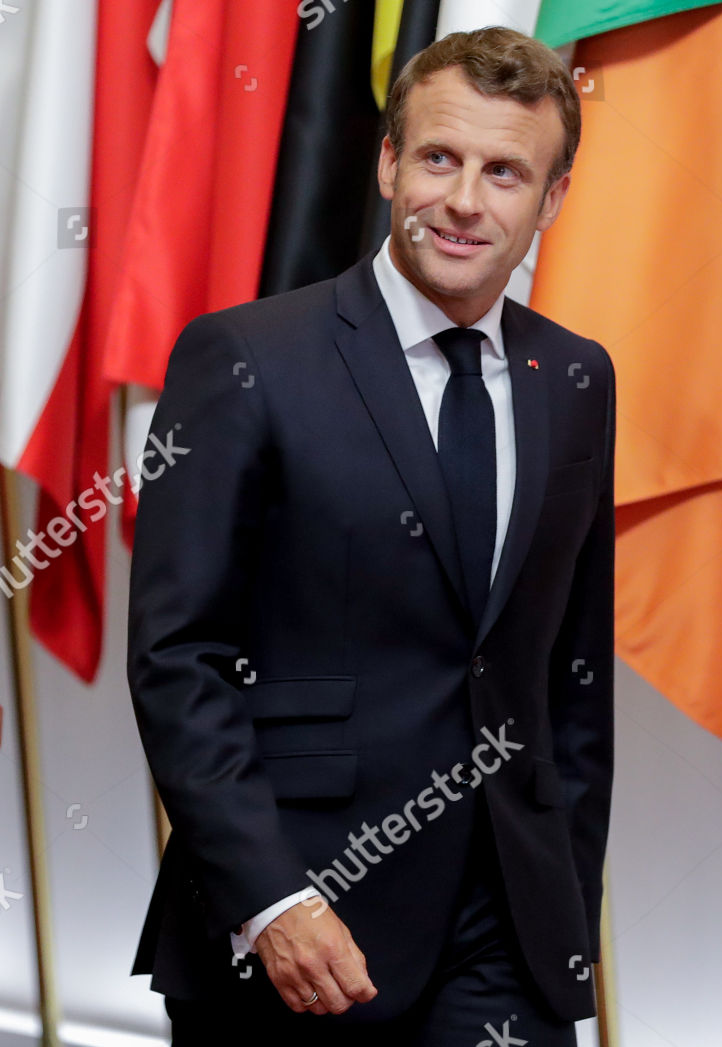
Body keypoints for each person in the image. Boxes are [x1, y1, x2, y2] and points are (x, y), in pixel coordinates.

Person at [126, 27, 613, 1045]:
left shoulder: (576, 380)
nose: (467, 201)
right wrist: (270, 900)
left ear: (552, 201)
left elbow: (571, 674)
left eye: (506, 172)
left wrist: (565, 906)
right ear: (390, 164)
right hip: (304, 924)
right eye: (440, 157)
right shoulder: (244, 358)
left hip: (508, 938)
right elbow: (180, 659)